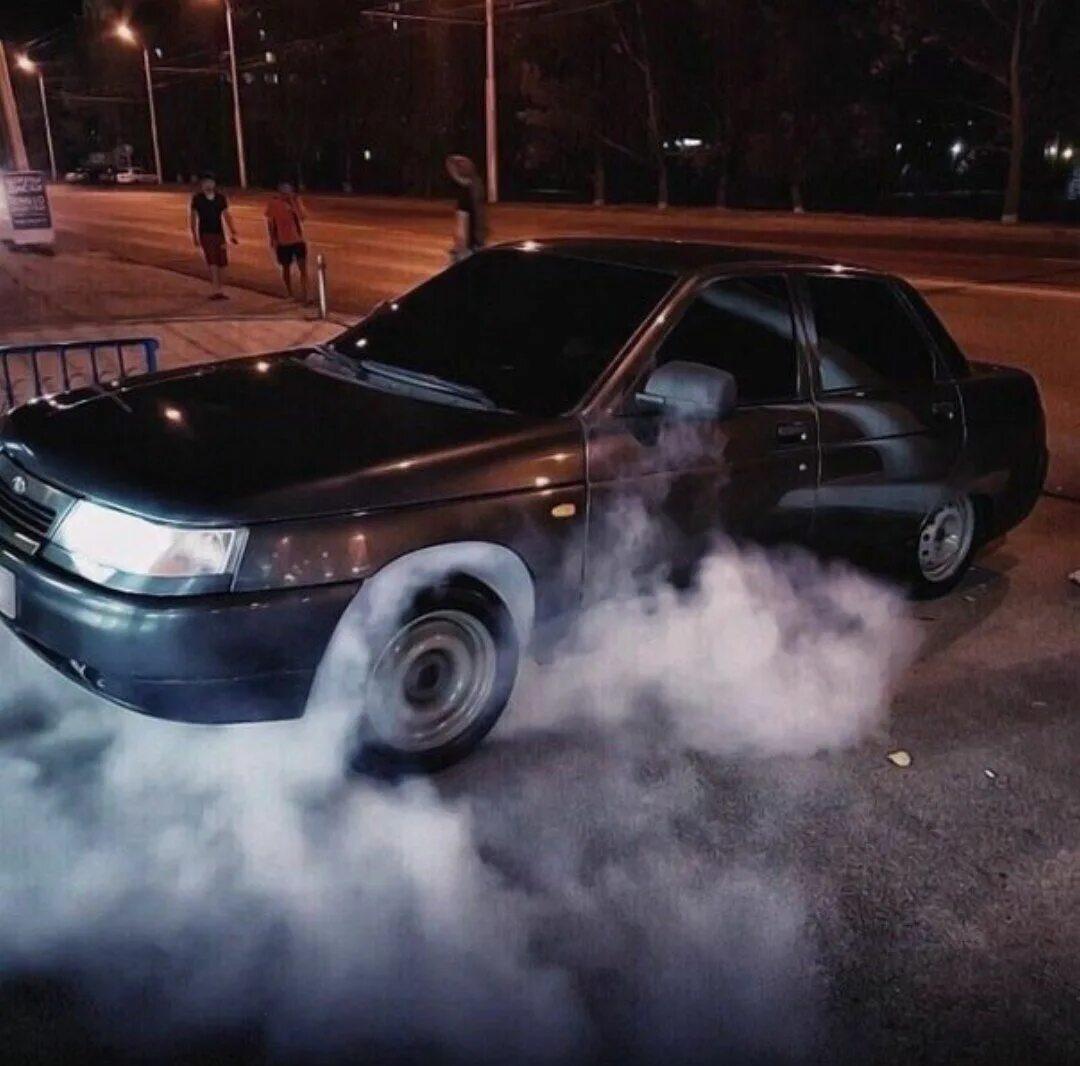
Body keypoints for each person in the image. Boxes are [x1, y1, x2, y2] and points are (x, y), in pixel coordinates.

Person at [189, 173, 239, 300]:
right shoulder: (198, 199)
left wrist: (232, 231)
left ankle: (220, 288)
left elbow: (226, 215)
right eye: (205, 182)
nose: (208, 185)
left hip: (219, 233)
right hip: (205, 234)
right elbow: (193, 217)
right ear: (202, 185)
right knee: (213, 262)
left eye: (210, 182)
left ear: (214, 184)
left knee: (223, 263)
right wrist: (194, 235)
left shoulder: (220, 198)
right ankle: (216, 290)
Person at [265, 179, 309, 302]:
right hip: (283, 241)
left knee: (303, 268)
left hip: (297, 240)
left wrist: (294, 204)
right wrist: (272, 239)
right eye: (283, 191)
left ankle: (306, 293)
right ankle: (289, 293)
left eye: (288, 190)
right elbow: (270, 222)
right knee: (286, 268)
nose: (286, 193)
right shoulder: (273, 203)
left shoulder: (296, 201)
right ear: (279, 191)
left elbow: (303, 217)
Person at [445, 154, 487, 262]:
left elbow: (462, 225)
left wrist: (460, 248)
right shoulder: (476, 186)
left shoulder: (466, 192)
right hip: (477, 243)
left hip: (469, 247)